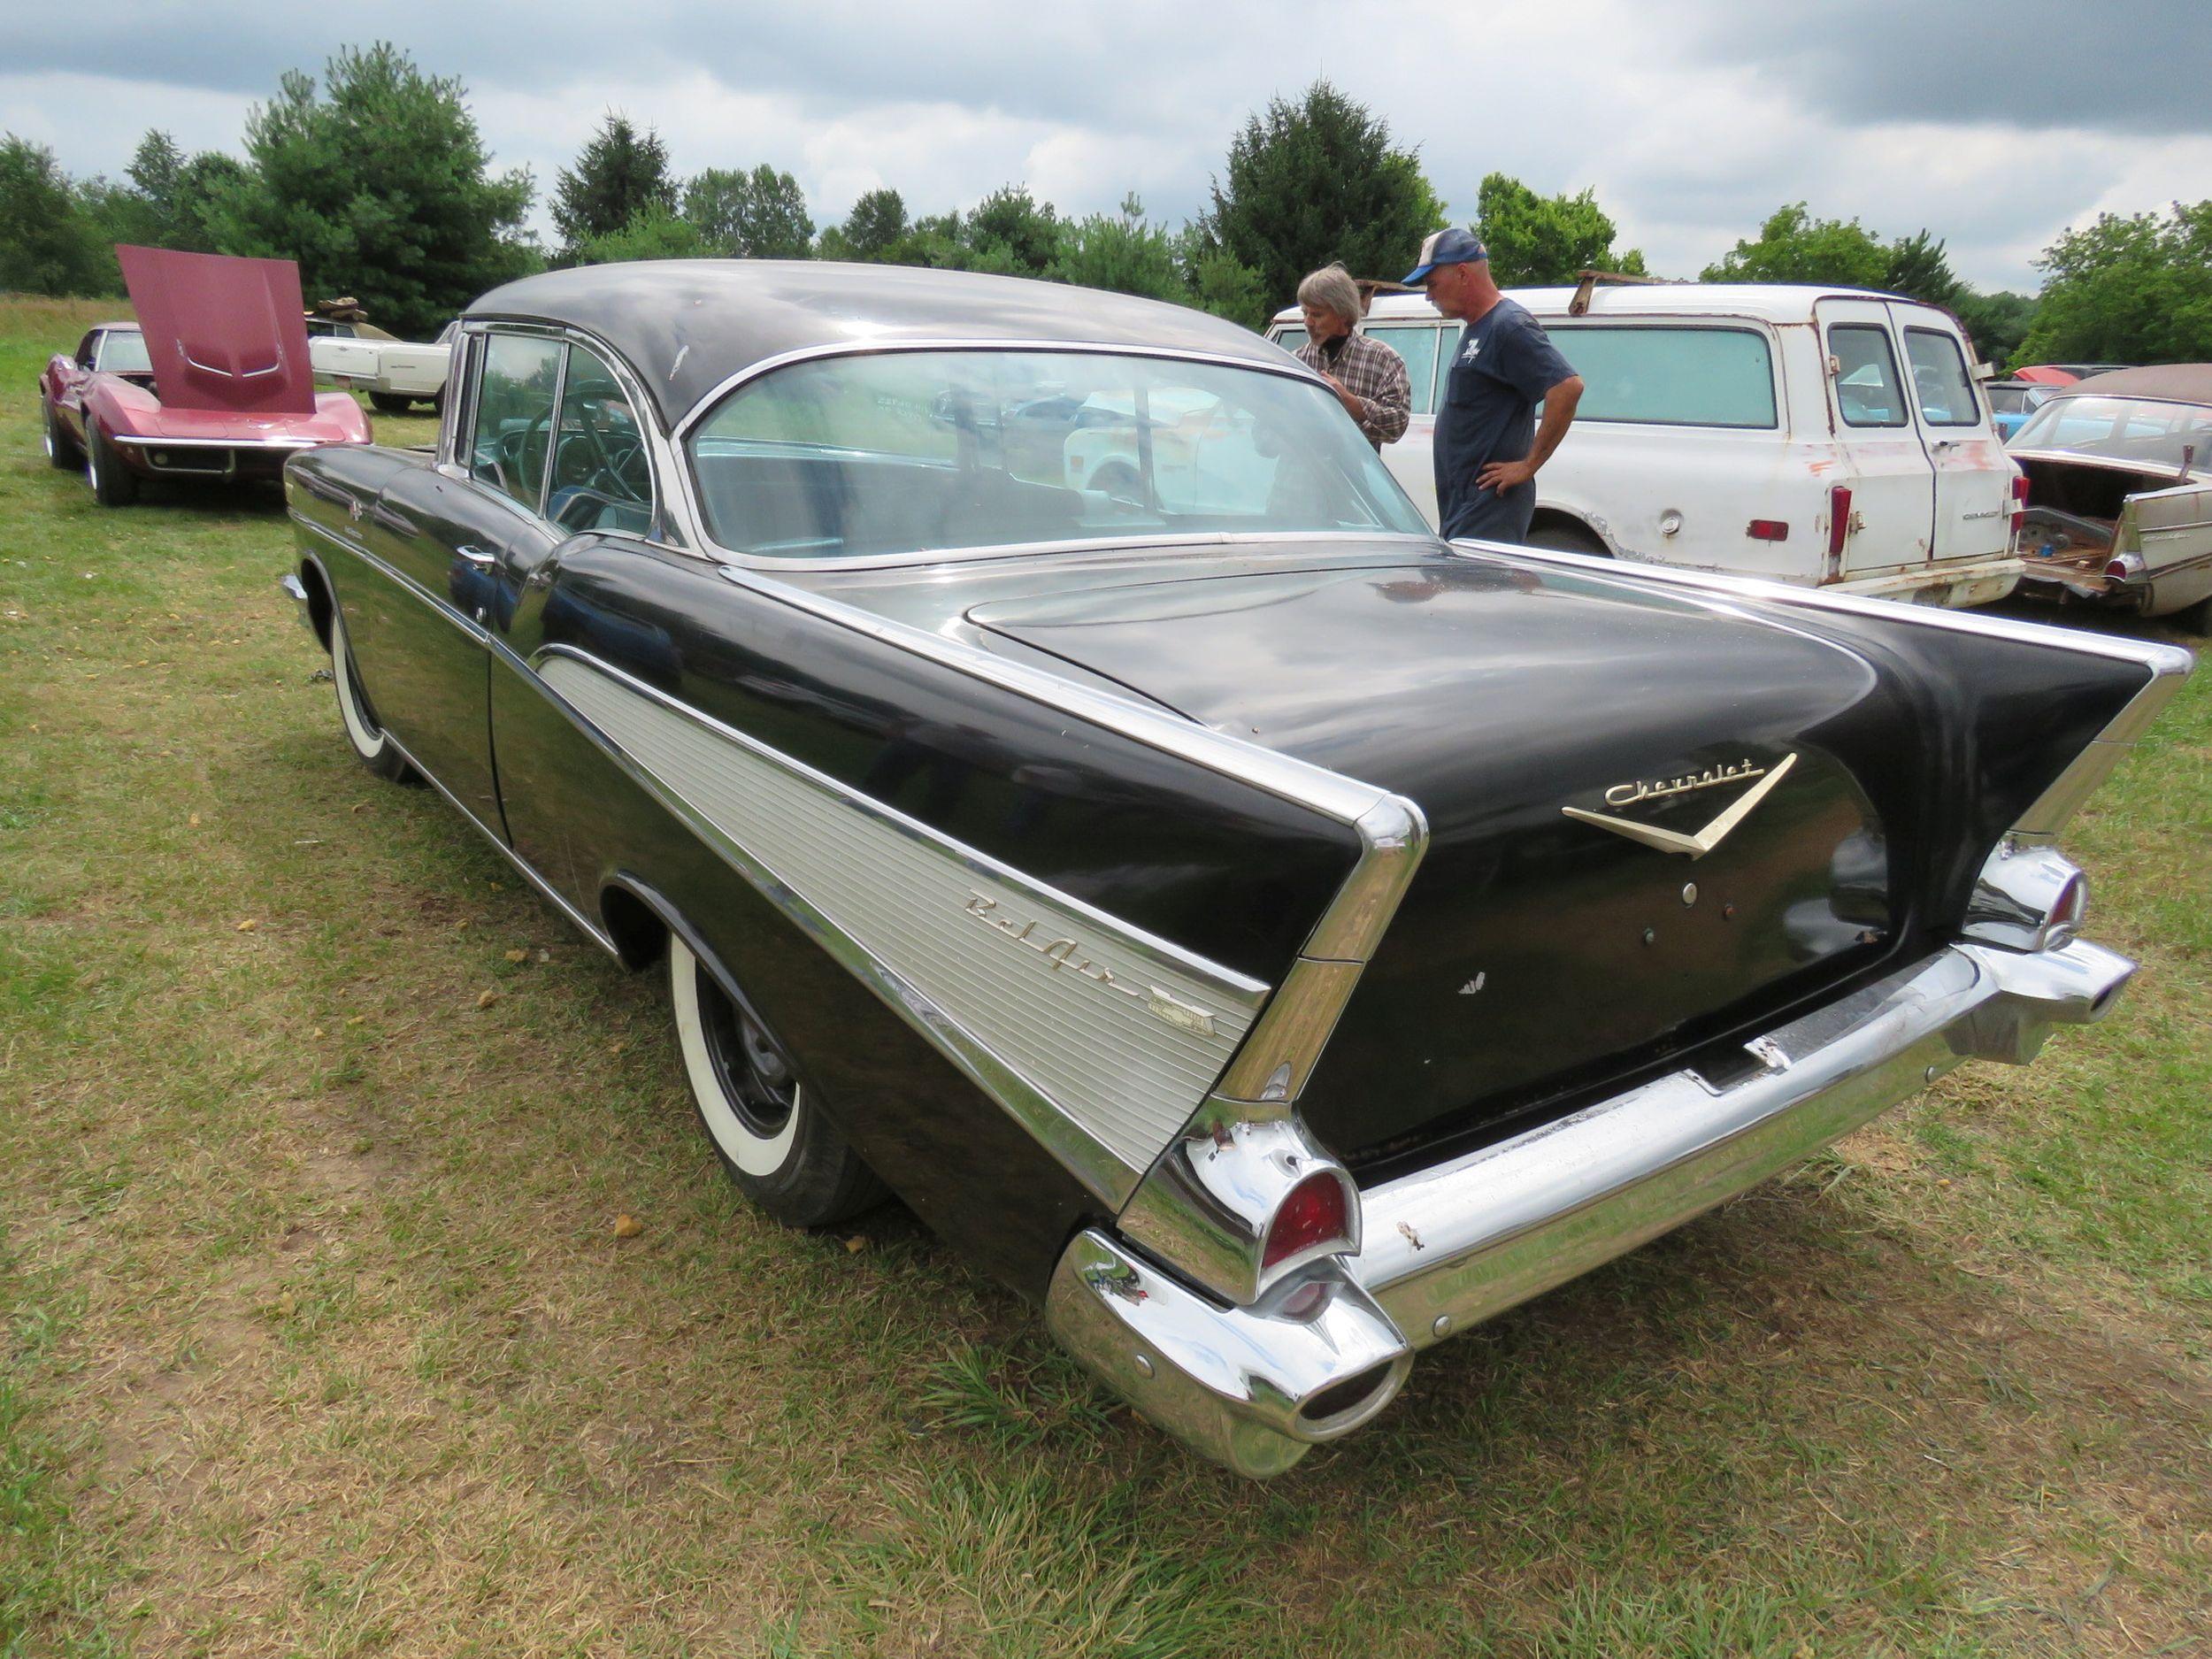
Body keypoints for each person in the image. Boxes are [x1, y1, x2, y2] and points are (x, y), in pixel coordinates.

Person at [1402, 228, 1584, 542]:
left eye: (1432, 283)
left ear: (1461, 273)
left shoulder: (1509, 326)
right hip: (1465, 508)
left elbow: (1567, 387)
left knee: (1477, 592)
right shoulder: (1477, 327)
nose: (1428, 295)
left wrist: (1527, 466)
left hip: (1489, 511)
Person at [1292, 264, 1409, 451]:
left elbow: (1397, 425)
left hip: (1351, 478)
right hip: (1296, 478)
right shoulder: (1296, 361)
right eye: (1305, 313)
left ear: (1343, 315)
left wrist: (1350, 402)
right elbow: (1269, 438)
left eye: (1317, 314)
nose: (1308, 322)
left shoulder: (1383, 360)